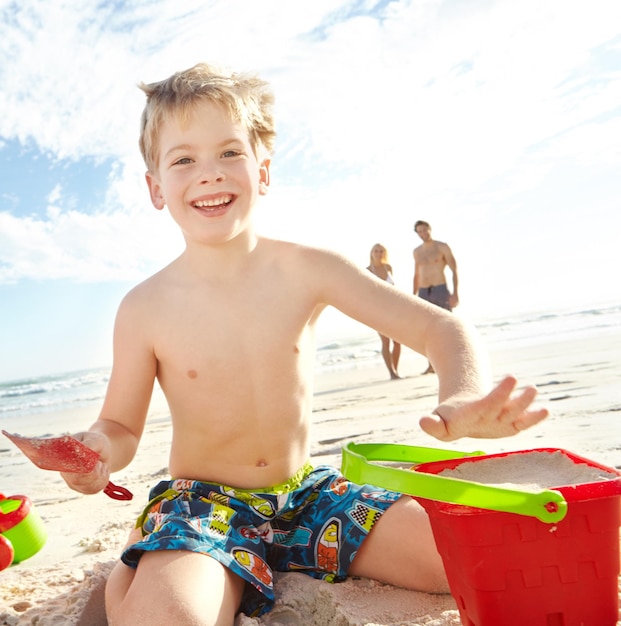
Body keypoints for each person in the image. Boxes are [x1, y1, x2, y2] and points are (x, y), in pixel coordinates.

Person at [60, 63, 548, 626]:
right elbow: (121, 428)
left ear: (262, 171)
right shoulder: (144, 307)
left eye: (229, 152)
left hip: (308, 498)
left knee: (476, 560)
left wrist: (462, 396)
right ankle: (150, 563)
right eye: (184, 159)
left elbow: (441, 328)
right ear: (155, 187)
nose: (209, 173)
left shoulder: (309, 270)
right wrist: (96, 450)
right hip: (204, 507)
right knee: (170, 618)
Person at [413, 220, 459, 374]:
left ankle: (454, 361)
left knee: (447, 326)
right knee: (427, 329)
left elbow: (454, 270)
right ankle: (432, 365)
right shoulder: (417, 252)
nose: (423, 234)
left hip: (440, 289)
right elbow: (417, 274)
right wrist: (413, 296)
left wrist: (455, 293)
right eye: (419, 231)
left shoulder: (442, 247)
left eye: (425, 230)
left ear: (430, 229)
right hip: (424, 291)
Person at [367, 243, 401, 379]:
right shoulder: (368, 270)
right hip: (378, 310)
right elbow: (366, 293)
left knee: (398, 341)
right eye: (376, 251)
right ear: (371, 253)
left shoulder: (388, 268)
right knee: (386, 341)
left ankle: (396, 370)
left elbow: (394, 288)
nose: (378, 253)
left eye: (381, 251)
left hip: (393, 307)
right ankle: (391, 372)